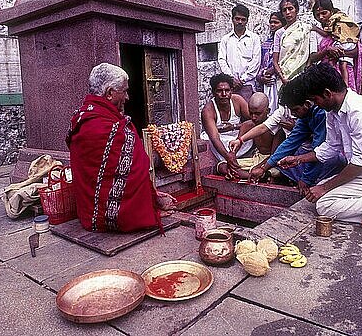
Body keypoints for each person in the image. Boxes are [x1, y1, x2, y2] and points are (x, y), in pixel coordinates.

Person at [278, 63, 362, 230]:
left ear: (327, 94)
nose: (315, 105)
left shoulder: (359, 113)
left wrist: (323, 188)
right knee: (324, 187)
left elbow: (360, 163)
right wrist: (299, 159)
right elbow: (331, 146)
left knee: (324, 205)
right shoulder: (333, 112)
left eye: (315, 99)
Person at [66, 63, 175, 233]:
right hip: (109, 220)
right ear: (109, 93)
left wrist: (153, 196)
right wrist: (151, 205)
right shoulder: (113, 129)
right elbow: (133, 175)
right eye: (124, 91)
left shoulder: (81, 117)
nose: (127, 97)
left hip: (88, 213)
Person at [231, 75, 345, 191]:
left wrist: (306, 180)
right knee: (284, 161)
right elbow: (289, 143)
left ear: (307, 104)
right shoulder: (305, 116)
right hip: (310, 155)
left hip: (333, 160)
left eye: (295, 110)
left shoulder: (321, 114)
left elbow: (319, 152)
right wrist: (264, 168)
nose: (293, 114)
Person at [218, 92, 281, 180]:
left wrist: (260, 168)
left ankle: (251, 175)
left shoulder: (276, 128)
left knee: (277, 171)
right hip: (255, 159)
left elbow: (275, 156)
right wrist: (231, 160)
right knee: (222, 166)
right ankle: (254, 177)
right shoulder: (247, 125)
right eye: (251, 113)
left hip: (270, 162)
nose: (253, 117)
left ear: (268, 111)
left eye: (257, 114)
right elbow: (236, 148)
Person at [310, 0, 362, 92]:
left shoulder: (342, 26)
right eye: (317, 15)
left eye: (324, 13)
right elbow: (313, 58)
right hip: (325, 74)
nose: (321, 17)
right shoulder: (314, 33)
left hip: (345, 68)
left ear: (331, 11)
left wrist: (339, 53)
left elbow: (356, 51)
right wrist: (327, 50)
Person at [201, 73, 252, 170]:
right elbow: (215, 138)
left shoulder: (237, 100)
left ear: (231, 91)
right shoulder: (208, 110)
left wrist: (234, 126)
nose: (224, 94)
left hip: (237, 138)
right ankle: (227, 161)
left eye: (227, 90)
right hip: (220, 142)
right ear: (213, 92)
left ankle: (233, 160)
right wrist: (227, 155)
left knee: (252, 131)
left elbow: (254, 120)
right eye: (219, 91)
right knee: (208, 139)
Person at [218, 4, 262, 101]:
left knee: (247, 114)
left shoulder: (254, 38)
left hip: (247, 85)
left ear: (247, 20)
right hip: (229, 86)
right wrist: (231, 79)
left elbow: (256, 61)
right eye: (237, 19)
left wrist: (242, 80)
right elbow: (222, 60)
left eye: (243, 19)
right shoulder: (225, 39)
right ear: (232, 19)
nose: (240, 22)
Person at [272, 0, 312, 87]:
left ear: (296, 10)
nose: (288, 12)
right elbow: (275, 60)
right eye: (284, 10)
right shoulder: (279, 33)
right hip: (283, 78)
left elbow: (310, 54)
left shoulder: (306, 28)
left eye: (290, 9)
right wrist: (282, 78)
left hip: (301, 76)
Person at [257, 11, 287, 113]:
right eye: (271, 22)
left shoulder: (287, 42)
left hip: (281, 79)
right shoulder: (265, 44)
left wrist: (273, 70)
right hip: (267, 84)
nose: (272, 25)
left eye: (276, 22)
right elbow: (260, 65)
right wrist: (262, 77)